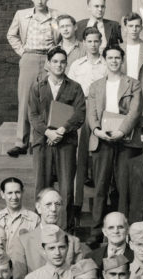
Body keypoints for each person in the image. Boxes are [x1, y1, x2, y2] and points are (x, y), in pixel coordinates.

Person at [88, 45, 143, 218]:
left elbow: (135, 111)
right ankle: (97, 229)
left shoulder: (133, 84)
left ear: (122, 60)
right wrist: (97, 130)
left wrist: (121, 131)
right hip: (102, 139)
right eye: (110, 58)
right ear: (105, 60)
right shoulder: (95, 86)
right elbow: (92, 112)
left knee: (123, 185)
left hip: (126, 140)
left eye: (117, 58)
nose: (114, 61)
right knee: (100, 185)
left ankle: (123, 224)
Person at [6, 0, 64, 158]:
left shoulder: (55, 15)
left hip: (49, 59)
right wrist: (22, 51)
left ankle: (46, 138)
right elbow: (11, 34)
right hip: (29, 57)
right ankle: (21, 142)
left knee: (48, 98)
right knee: (25, 98)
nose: (40, 1)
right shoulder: (22, 15)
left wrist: (56, 54)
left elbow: (61, 36)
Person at [30, 48, 86, 209]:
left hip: (66, 142)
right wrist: (48, 132)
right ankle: (41, 227)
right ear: (48, 63)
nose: (59, 65)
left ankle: (65, 228)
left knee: (66, 187)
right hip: (43, 142)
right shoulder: (37, 86)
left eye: (62, 62)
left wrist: (62, 130)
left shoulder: (75, 87)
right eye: (55, 61)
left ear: (66, 64)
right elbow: (33, 115)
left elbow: (79, 113)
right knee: (42, 186)